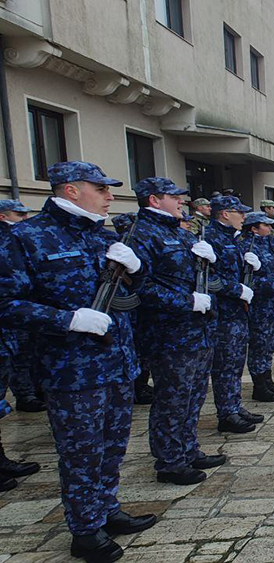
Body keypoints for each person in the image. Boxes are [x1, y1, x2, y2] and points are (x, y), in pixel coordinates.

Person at [0, 161, 156, 561]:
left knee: (113, 446)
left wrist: (137, 271)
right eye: (101, 189)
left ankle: (106, 509)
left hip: (117, 362)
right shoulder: (27, 237)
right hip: (71, 369)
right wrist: (67, 319)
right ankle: (85, 530)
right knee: (81, 453)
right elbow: (7, 303)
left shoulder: (101, 237)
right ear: (71, 190)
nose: (109, 197)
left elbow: (132, 291)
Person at [130, 177, 223, 486]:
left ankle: (188, 448)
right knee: (172, 399)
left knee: (193, 395)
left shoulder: (177, 232)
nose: (182, 201)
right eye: (175, 196)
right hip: (169, 334)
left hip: (196, 330)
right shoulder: (142, 235)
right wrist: (187, 301)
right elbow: (141, 289)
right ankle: (170, 461)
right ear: (154, 200)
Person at [202, 195, 262, 435]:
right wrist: (237, 290)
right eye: (239, 212)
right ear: (225, 214)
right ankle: (226, 413)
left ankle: (234, 405)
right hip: (222, 313)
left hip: (237, 313)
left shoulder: (234, 239)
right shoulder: (211, 239)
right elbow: (210, 280)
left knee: (236, 363)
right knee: (225, 365)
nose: (244, 217)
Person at [0, 200, 45, 412]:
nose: (25, 218)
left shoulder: (24, 238)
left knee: (26, 355)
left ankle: (32, 392)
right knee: (15, 358)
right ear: (3, 216)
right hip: (10, 312)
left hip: (29, 308)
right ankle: (24, 395)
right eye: (19, 215)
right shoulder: (8, 240)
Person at [242, 212, 274, 402]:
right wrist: (273, 285)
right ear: (254, 228)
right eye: (265, 226)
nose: (270, 229)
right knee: (259, 346)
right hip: (260, 306)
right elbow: (250, 281)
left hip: (273, 305)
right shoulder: (248, 247)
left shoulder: (268, 245)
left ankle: (267, 379)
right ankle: (259, 385)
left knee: (269, 344)